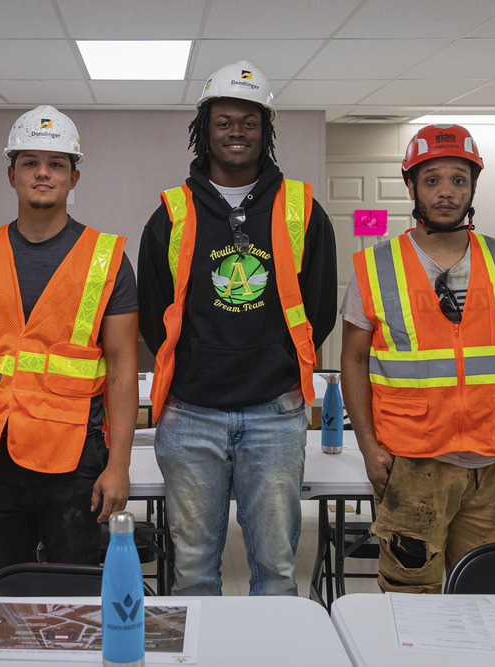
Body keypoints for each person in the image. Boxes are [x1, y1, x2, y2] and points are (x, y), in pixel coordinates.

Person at [137, 60, 337, 596]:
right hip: (190, 413)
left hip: (276, 412)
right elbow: (156, 314)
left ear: (266, 130)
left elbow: (316, 309)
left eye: (249, 121)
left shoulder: (302, 210)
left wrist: (270, 357)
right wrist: (201, 362)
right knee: (194, 571)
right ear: (204, 129)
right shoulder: (171, 214)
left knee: (275, 570)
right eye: (224, 121)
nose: (236, 131)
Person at [0, 105, 138, 578]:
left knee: (71, 597)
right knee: (2, 590)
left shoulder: (107, 260)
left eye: (56, 163)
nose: (43, 172)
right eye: (30, 162)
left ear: (73, 177)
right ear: (11, 174)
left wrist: (118, 465)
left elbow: (123, 368)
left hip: (72, 461)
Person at [340, 124, 495, 594]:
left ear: (474, 186)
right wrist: (367, 447)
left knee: (489, 593)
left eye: (459, 179)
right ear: (411, 186)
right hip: (411, 463)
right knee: (409, 597)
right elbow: (352, 361)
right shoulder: (375, 266)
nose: (446, 192)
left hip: (493, 462)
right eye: (432, 179)